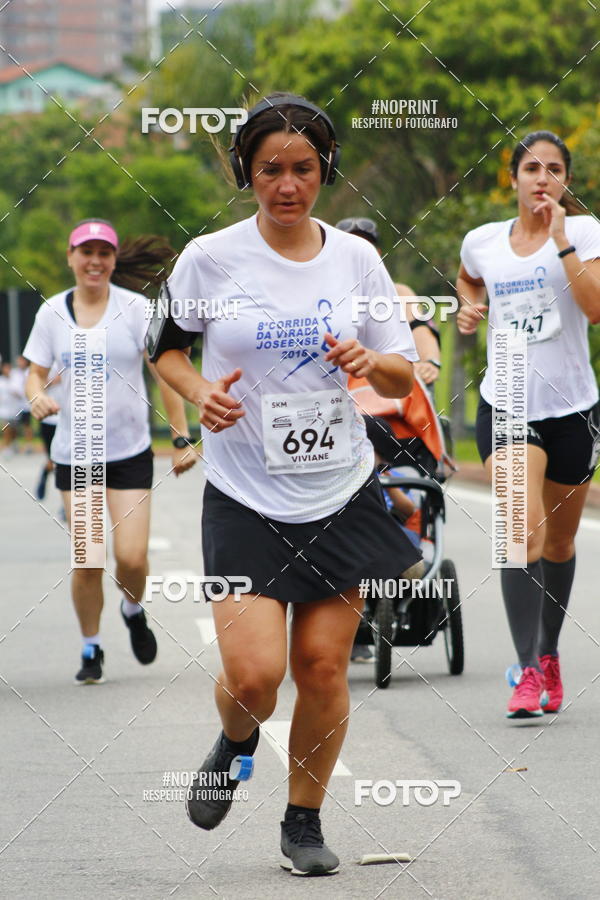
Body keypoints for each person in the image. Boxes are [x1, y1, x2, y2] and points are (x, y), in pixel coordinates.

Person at [154, 92, 420, 876]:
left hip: (338, 490)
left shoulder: (356, 259)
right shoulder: (209, 257)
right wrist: (201, 393)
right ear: (247, 170)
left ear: (324, 171)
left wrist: (373, 364)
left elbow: (404, 375)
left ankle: (302, 821)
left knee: (323, 669)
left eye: (304, 168)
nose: (288, 184)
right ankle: (236, 740)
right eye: (271, 168)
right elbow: (167, 350)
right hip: (243, 494)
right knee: (255, 675)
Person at [456, 130, 600, 718]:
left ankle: (549, 651)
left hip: (573, 408)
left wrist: (562, 240)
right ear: (512, 179)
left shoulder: (586, 233)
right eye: (532, 168)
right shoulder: (483, 242)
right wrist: (468, 304)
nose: (543, 178)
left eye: (555, 169)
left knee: (560, 542)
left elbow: (594, 308)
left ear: (566, 180)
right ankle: (527, 671)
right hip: (508, 398)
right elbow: (468, 276)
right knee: (520, 536)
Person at [24, 218, 196, 685]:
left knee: (133, 559)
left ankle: (132, 609)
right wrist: (36, 394)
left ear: (114, 260)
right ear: (71, 258)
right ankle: (91, 646)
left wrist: (181, 436)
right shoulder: (51, 314)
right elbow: (34, 373)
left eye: (104, 253)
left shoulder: (137, 310)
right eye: (86, 252)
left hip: (129, 451)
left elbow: (165, 371)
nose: (95, 261)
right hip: (75, 452)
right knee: (88, 556)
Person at [335, 217, 442, 389]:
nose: (358, 254)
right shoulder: (324, 295)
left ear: (376, 253)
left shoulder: (398, 292)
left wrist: (429, 362)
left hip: (385, 387)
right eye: (350, 248)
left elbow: (421, 328)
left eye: (364, 248)